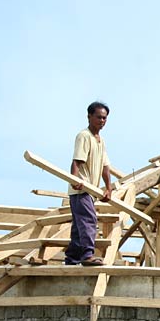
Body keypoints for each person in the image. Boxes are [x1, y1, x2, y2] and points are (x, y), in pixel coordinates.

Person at [64, 102, 112, 266]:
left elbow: (105, 167)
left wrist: (108, 188)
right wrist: (75, 179)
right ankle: (87, 255)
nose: (102, 121)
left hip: (90, 191)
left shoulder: (101, 140)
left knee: (79, 227)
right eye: (98, 117)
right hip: (80, 190)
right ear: (89, 116)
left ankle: (71, 259)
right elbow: (76, 161)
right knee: (89, 220)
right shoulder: (84, 136)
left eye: (104, 118)